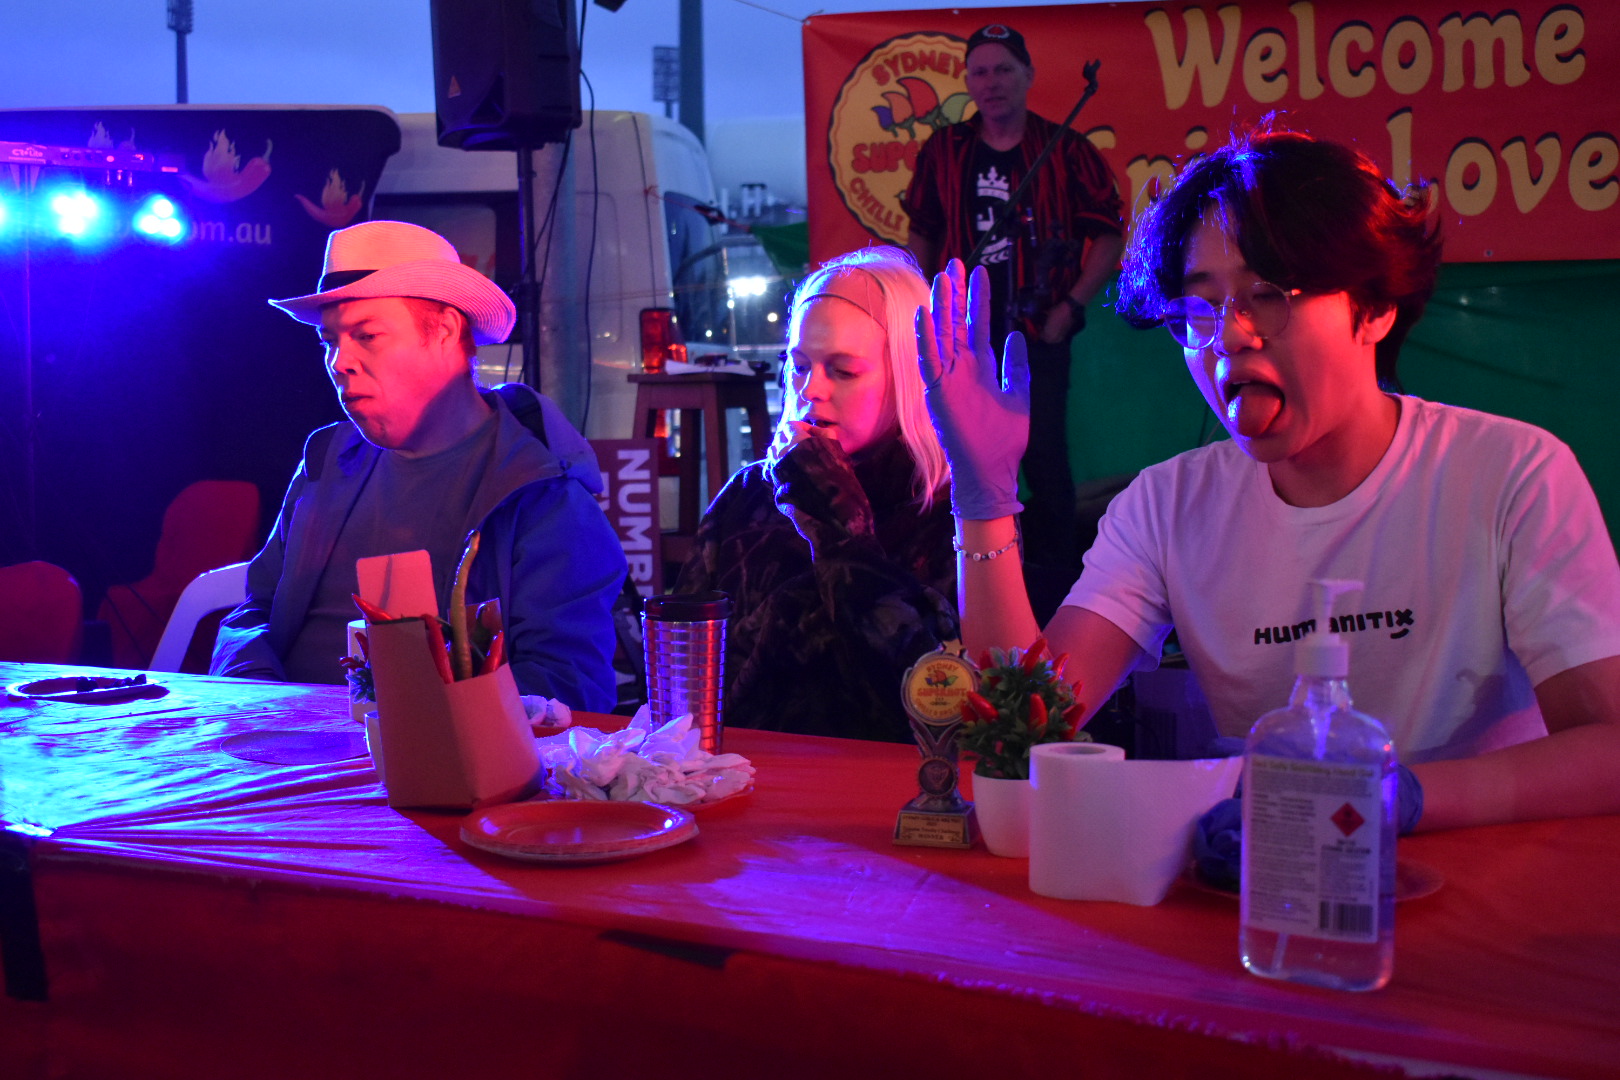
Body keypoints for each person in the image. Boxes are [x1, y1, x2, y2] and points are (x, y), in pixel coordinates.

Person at [918, 127, 1620, 831]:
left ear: (1375, 307)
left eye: (1269, 293)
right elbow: (1021, 728)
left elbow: (1607, 748)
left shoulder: (1511, 474)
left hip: (1482, 876)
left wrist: (1393, 799)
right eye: (1198, 308)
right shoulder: (1165, 506)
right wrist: (984, 496)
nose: (1230, 335)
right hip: (1270, 880)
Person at [211, 220, 626, 710]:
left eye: (367, 335)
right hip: (278, 737)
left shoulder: (541, 491)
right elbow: (254, 610)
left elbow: (567, 688)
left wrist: (409, 728)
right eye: (329, 341)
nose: (339, 362)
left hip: (435, 754)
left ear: (445, 331)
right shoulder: (326, 459)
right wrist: (256, 696)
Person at [674, 247, 957, 741]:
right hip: (742, 777)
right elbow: (684, 675)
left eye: (843, 371)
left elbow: (935, 702)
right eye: (800, 365)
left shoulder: (951, 511)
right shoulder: (749, 496)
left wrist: (838, 525)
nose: (811, 389)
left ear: (908, 377)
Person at [904, 22, 1125, 572]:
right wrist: (924, 304)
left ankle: (1058, 587)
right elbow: (922, 233)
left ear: (1027, 74)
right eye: (980, 72)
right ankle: (956, 576)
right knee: (955, 454)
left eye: (1003, 69)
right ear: (968, 81)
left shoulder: (1066, 149)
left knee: (1045, 456)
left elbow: (1109, 236)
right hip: (961, 337)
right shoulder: (944, 151)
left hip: (1039, 333)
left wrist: (1071, 306)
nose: (992, 82)